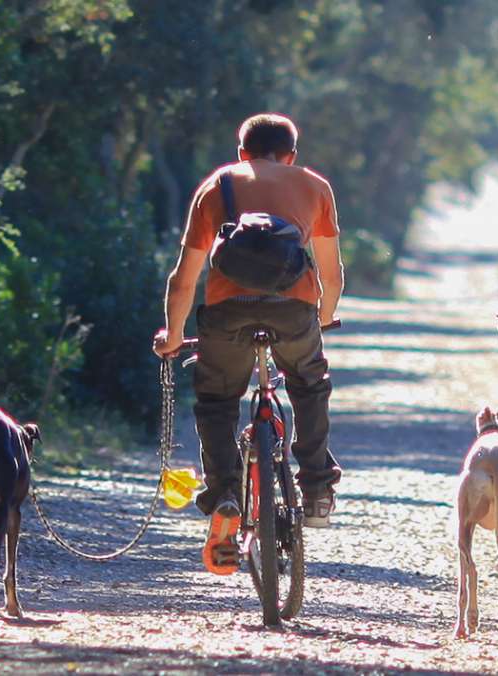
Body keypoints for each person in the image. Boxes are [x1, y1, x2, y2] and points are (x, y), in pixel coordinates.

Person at [152, 113, 344, 575]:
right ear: (292, 155)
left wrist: (173, 336)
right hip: (294, 309)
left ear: (242, 152)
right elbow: (332, 275)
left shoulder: (218, 186)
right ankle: (316, 489)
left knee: (218, 401)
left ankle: (224, 495)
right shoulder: (314, 186)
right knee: (308, 384)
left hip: (227, 312)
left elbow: (184, 279)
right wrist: (322, 317)